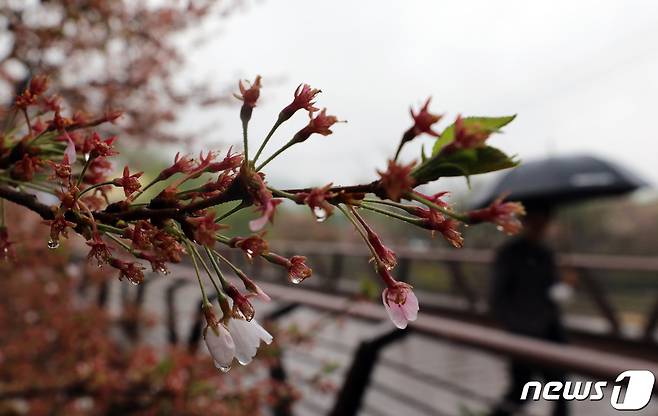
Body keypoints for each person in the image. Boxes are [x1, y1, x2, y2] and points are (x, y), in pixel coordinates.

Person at [489, 203, 569, 416]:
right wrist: (514, 328)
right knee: (521, 390)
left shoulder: (546, 253)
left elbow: (552, 290)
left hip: (550, 330)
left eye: (544, 221)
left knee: (560, 389)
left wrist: (564, 288)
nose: (540, 226)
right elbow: (497, 297)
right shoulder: (509, 253)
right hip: (523, 331)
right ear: (526, 222)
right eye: (536, 220)